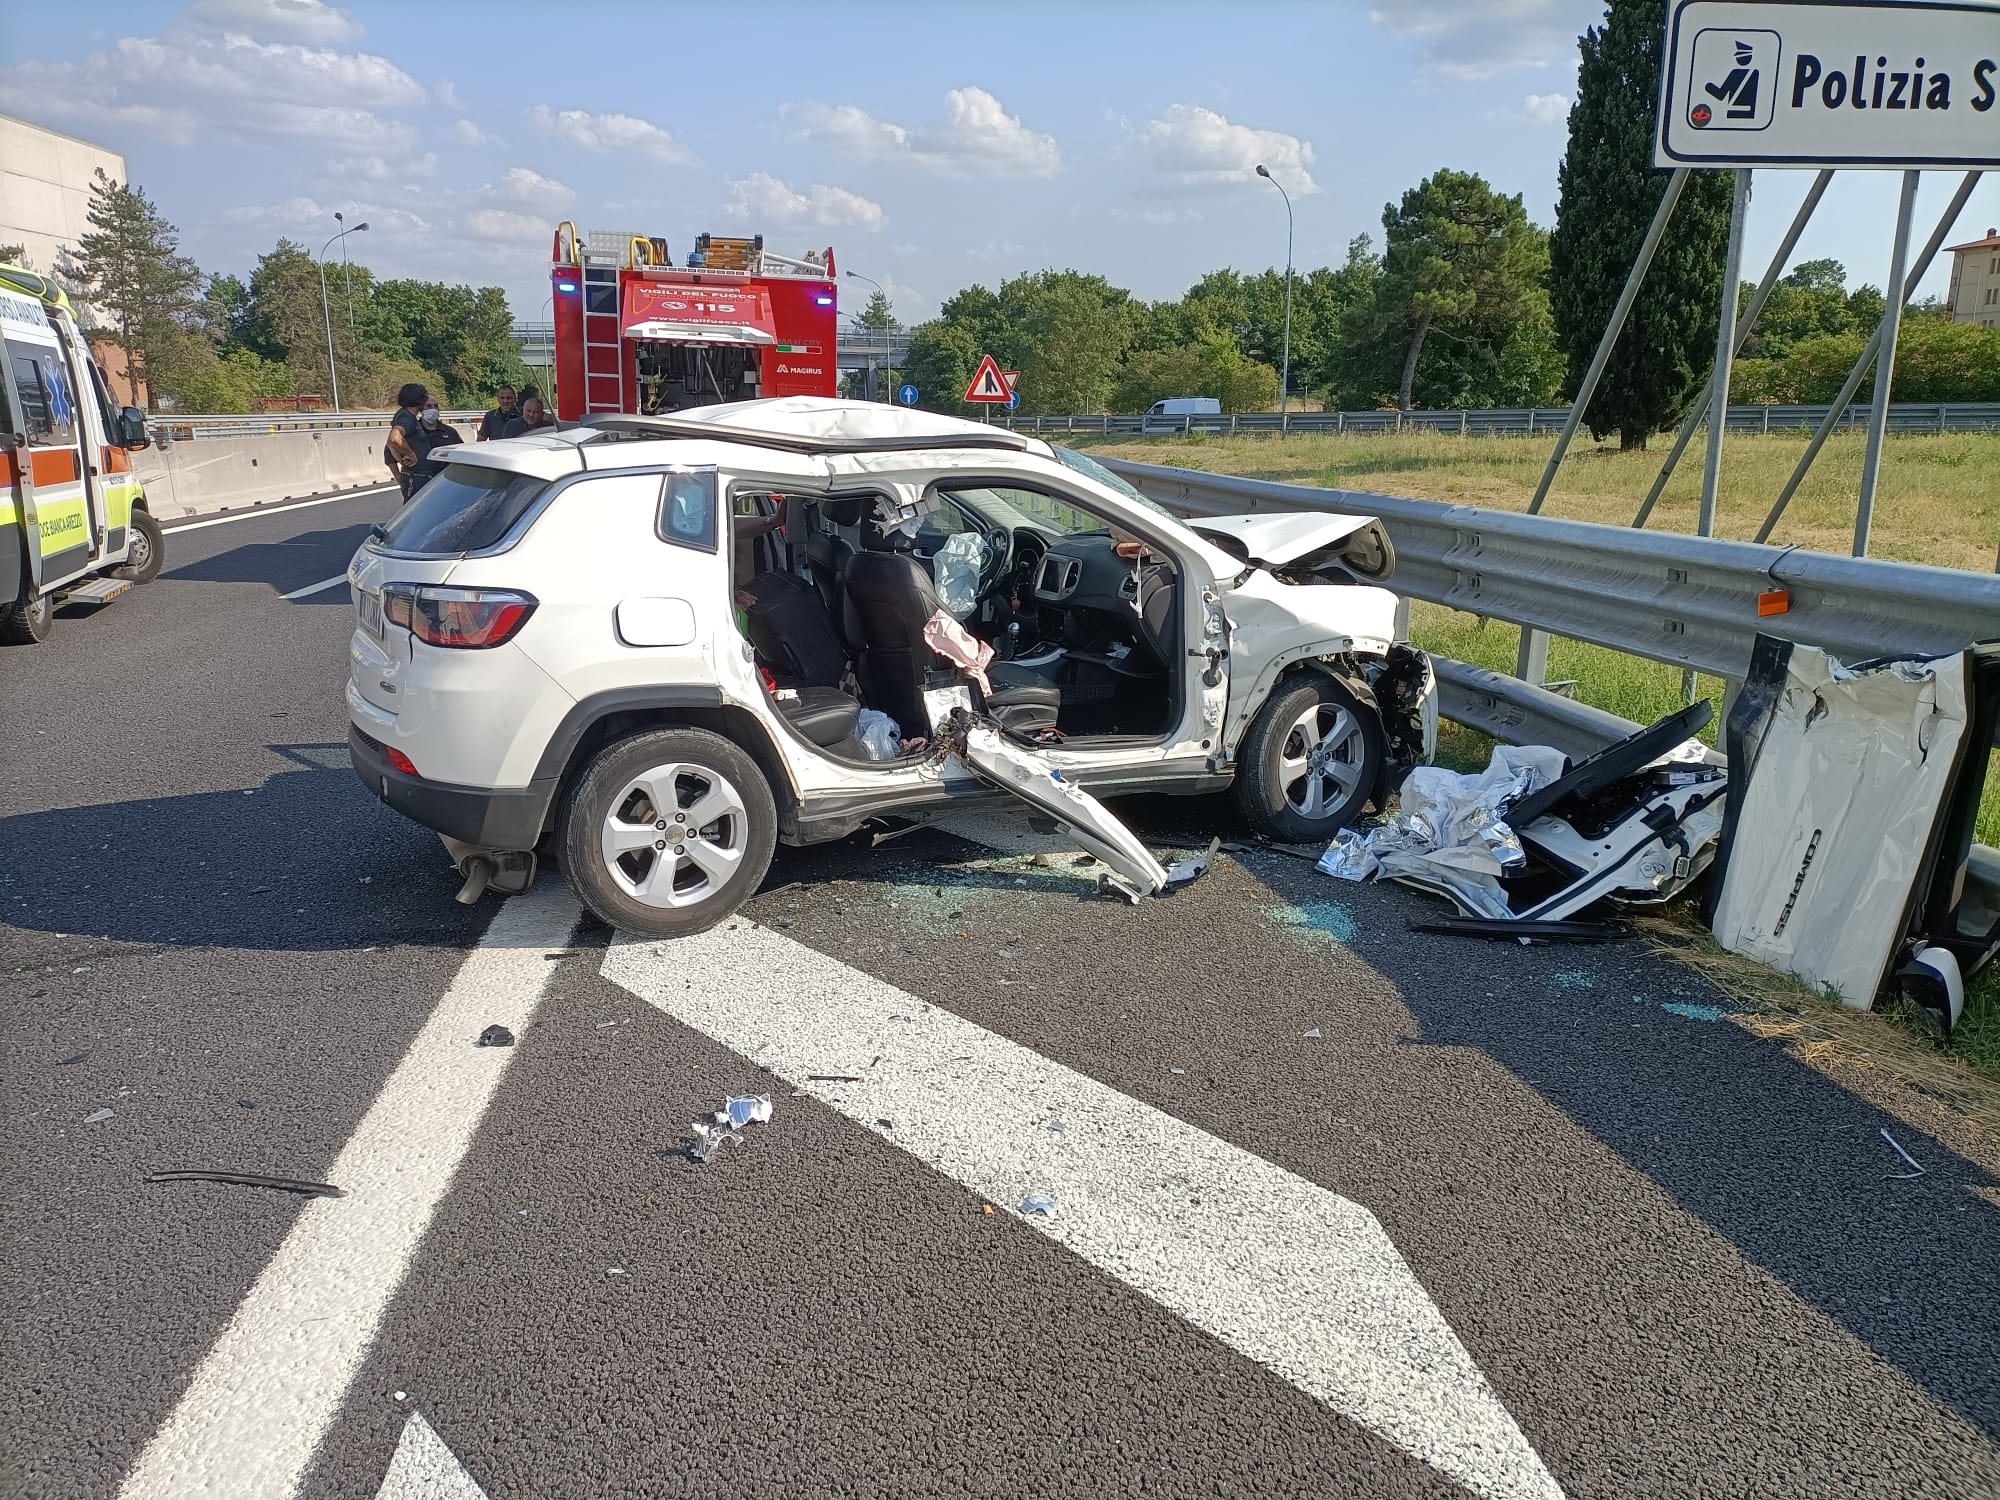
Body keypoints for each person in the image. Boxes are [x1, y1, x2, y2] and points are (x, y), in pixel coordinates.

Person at [407, 399, 466, 494]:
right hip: (417, 486)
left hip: (444, 484)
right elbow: (390, 455)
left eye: (436, 406)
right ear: (421, 409)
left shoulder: (449, 432)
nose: (433, 409)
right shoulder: (410, 432)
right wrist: (400, 479)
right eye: (429, 406)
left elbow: (461, 456)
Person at [383, 383, 430, 500]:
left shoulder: (403, 415)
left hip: (413, 476)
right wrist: (411, 454)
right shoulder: (407, 418)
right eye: (424, 397)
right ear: (418, 399)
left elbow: (390, 444)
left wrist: (400, 471)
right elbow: (394, 438)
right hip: (417, 477)